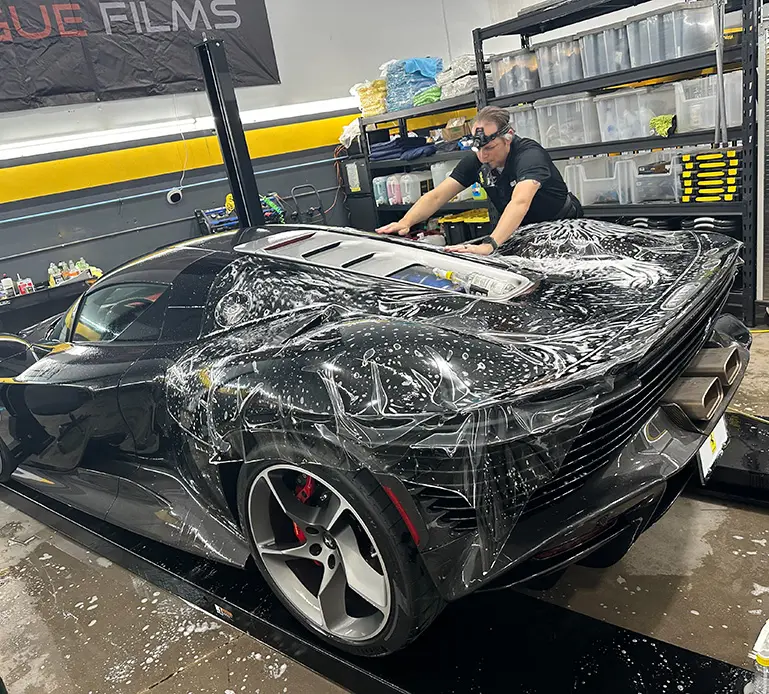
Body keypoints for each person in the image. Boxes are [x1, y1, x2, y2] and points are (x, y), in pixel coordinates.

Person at [377, 106, 582, 255]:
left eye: (490, 149)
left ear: (508, 138)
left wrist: (490, 244)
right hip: (522, 230)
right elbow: (438, 195)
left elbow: (520, 201)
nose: (483, 156)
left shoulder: (529, 155)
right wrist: (406, 222)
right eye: (478, 149)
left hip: (561, 223)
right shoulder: (477, 160)